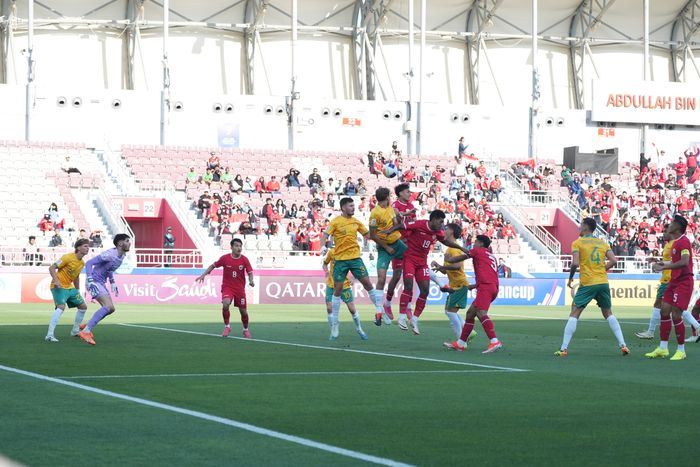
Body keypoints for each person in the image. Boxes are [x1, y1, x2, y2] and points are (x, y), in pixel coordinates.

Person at [380, 210, 468, 335]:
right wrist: (390, 231)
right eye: (441, 221)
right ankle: (401, 317)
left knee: (425, 290)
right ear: (433, 219)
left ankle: (414, 319)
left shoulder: (438, 232)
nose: (442, 224)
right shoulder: (419, 224)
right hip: (409, 259)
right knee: (409, 285)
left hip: (422, 263)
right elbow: (402, 226)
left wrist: (461, 247)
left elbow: (446, 242)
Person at [554, 218, 628, 357]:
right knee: (608, 313)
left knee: (574, 312)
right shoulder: (602, 243)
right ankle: (623, 345)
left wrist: (570, 277)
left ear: (586, 227)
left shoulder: (577, 243)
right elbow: (614, 260)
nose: (579, 228)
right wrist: (602, 270)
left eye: (581, 225)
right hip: (603, 282)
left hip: (588, 283)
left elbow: (575, 263)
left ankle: (563, 349)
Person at [320, 197, 386, 333]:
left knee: (368, 284)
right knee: (337, 290)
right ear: (343, 207)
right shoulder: (336, 222)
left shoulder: (356, 222)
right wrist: (322, 247)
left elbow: (368, 235)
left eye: (353, 205)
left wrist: (382, 238)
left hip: (355, 258)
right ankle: (335, 324)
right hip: (340, 260)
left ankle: (380, 310)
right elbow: (325, 235)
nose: (353, 208)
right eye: (350, 206)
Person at [637, 225, 700, 340]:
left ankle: (651, 332)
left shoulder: (675, 244)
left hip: (671, 279)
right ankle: (696, 328)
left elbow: (680, 261)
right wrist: (658, 261)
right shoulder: (669, 245)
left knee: (666, 307)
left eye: (665, 231)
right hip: (668, 279)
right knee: (676, 308)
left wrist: (663, 266)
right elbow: (670, 261)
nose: (663, 234)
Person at [442, 234, 503, 353]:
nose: (474, 244)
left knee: (481, 312)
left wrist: (448, 260)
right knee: (470, 314)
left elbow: (462, 257)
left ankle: (494, 341)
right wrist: (475, 286)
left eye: (476, 242)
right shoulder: (491, 256)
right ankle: (461, 343)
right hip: (492, 287)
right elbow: (490, 274)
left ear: (480, 243)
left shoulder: (478, 251)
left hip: (485, 287)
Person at [646, 215, 695, 360]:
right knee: (664, 311)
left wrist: (664, 267)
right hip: (674, 281)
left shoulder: (684, 242)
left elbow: (684, 262)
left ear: (678, 227)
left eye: (672, 222)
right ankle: (663, 348)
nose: (670, 224)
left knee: (676, 314)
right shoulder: (675, 243)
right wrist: (662, 264)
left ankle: (681, 350)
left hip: (684, 282)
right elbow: (674, 262)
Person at [77, 234, 131, 345]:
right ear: (120, 243)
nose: (129, 243)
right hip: (94, 282)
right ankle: (86, 331)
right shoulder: (110, 254)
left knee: (111, 309)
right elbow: (89, 263)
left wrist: (112, 282)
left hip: (101, 282)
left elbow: (109, 269)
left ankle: (87, 325)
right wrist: (90, 280)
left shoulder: (122, 256)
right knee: (108, 306)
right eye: (127, 241)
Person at [196, 238, 255, 338]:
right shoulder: (225, 258)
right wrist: (203, 275)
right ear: (231, 247)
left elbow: (250, 272)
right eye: (236, 246)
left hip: (240, 289)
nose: (238, 248)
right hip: (228, 287)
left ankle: (245, 329)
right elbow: (213, 265)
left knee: (243, 311)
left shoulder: (244, 259)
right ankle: (227, 326)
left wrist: (251, 280)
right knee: (226, 304)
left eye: (240, 246)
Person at [430, 223, 476, 342]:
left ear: (451, 232)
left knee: (450, 313)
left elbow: (457, 266)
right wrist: (439, 266)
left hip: (459, 284)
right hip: (456, 284)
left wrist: (441, 266)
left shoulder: (454, 249)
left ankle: (461, 340)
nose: (444, 231)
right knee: (449, 311)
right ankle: (469, 332)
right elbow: (447, 271)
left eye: (446, 229)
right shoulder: (451, 248)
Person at [369, 187, 407, 326]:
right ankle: (379, 311)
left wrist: (398, 217)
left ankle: (437, 281)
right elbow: (372, 235)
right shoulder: (375, 213)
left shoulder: (390, 209)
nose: (391, 198)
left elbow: (398, 225)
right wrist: (386, 247)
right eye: (389, 196)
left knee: (415, 258)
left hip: (397, 243)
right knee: (382, 278)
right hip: (384, 248)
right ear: (386, 198)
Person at [383, 183, 418, 322]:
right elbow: (397, 220)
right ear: (400, 194)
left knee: (410, 277)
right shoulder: (395, 206)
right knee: (397, 275)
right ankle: (387, 304)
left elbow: (413, 224)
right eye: (407, 192)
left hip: (411, 245)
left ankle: (408, 306)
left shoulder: (411, 206)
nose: (410, 194)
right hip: (398, 243)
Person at [45, 239, 91, 342]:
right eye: (85, 246)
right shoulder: (67, 257)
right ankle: (49, 335)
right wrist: (56, 281)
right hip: (58, 286)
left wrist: (78, 290)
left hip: (70, 287)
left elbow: (76, 276)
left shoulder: (82, 263)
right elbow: (52, 268)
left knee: (83, 306)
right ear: (78, 248)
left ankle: (75, 331)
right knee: (61, 307)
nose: (87, 248)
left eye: (88, 246)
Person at [322, 248, 367, 340]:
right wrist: (326, 271)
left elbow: (356, 267)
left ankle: (359, 328)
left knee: (352, 309)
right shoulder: (331, 252)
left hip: (344, 285)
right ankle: (333, 329)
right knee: (329, 307)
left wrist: (353, 277)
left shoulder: (348, 251)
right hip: (331, 284)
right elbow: (324, 264)